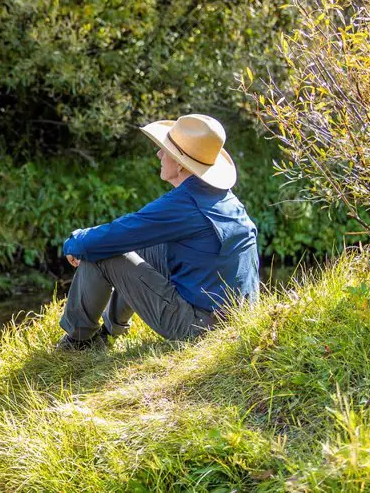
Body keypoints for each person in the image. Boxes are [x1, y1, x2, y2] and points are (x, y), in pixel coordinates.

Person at [56, 114, 260, 351]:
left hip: (201, 328)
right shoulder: (220, 197)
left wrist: (75, 242)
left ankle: (78, 342)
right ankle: (109, 332)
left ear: (181, 163)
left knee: (101, 254)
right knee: (134, 245)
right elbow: (130, 233)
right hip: (234, 319)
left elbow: (110, 238)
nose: (159, 155)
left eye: (164, 150)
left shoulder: (185, 205)